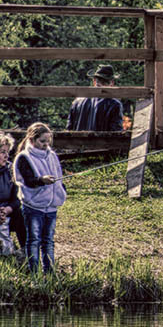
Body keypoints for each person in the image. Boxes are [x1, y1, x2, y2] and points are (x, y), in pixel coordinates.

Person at [13, 123, 65, 272]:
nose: (46, 144)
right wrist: (42, 180)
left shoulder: (52, 156)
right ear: (32, 139)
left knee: (48, 241)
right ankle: (34, 271)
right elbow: (28, 181)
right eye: (42, 141)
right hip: (33, 206)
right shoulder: (24, 158)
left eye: (48, 141)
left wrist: (61, 191)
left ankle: (49, 272)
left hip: (51, 206)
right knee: (34, 240)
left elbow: (59, 178)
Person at [67, 64, 124, 131]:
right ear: (111, 83)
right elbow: (116, 134)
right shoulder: (114, 104)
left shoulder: (77, 102)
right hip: (101, 141)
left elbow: (69, 129)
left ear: (94, 81)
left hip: (77, 141)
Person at [0, 133, 24, 257]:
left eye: (7, 152)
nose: (6, 156)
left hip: (6, 212)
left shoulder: (10, 170)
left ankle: (26, 250)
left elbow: (17, 198)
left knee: (24, 213)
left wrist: (7, 210)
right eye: (2, 152)